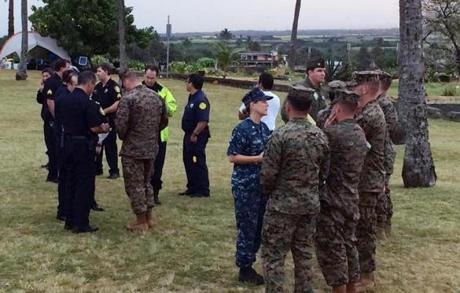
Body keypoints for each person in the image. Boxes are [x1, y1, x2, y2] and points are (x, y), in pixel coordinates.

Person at [261, 85, 330, 293]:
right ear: (309, 109)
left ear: (288, 106)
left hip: (282, 207)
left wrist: (271, 192)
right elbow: (324, 173)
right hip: (309, 205)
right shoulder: (320, 136)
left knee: (274, 258)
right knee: (304, 256)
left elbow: (268, 175)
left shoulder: (280, 136)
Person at [315, 90, 369, 293]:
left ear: (336, 109)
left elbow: (319, 156)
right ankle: (352, 288)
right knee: (349, 246)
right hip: (351, 197)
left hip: (332, 201)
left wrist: (326, 128)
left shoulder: (331, 134)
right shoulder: (359, 133)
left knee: (333, 249)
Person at [227, 88, 272, 285]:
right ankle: (245, 268)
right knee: (247, 227)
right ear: (252, 104)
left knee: (259, 226)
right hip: (245, 186)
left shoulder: (264, 129)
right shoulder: (242, 129)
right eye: (263, 101)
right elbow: (232, 156)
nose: (267, 104)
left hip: (261, 186)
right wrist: (257, 159)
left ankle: (250, 261)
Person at [116, 71, 168, 233]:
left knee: (134, 185)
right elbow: (164, 121)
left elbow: (121, 127)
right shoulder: (156, 97)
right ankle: (149, 218)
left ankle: (141, 221)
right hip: (151, 148)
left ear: (126, 81)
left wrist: (128, 136)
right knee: (147, 183)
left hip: (133, 150)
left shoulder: (128, 99)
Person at [60, 71, 110, 233]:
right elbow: (94, 126)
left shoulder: (66, 98)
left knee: (70, 182)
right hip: (83, 147)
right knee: (84, 184)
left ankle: (69, 218)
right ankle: (81, 222)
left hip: (67, 144)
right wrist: (104, 127)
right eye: (92, 86)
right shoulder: (87, 103)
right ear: (89, 84)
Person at [351, 71, 387, 292]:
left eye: (355, 85)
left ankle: (367, 276)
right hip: (364, 180)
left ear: (364, 88)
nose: (352, 89)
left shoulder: (369, 115)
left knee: (364, 230)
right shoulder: (366, 111)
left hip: (367, 182)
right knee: (360, 228)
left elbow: (350, 137)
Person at [143, 65, 177, 205]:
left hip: (159, 136)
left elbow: (173, 109)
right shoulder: (138, 89)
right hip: (142, 135)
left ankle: (155, 193)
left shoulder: (163, 91)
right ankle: (142, 194)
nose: (150, 80)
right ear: (144, 76)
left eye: (152, 78)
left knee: (157, 166)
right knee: (143, 167)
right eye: (147, 77)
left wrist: (163, 105)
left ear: (157, 76)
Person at [376, 72, 402, 239]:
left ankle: (383, 224)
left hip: (383, 153)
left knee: (382, 189)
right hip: (381, 151)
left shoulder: (384, 104)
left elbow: (392, 128)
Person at [179, 73, 211, 198]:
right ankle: (192, 187)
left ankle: (202, 189)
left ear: (191, 84)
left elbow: (203, 121)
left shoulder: (200, 100)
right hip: (189, 135)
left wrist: (194, 133)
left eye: (187, 81)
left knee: (198, 161)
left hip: (197, 136)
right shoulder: (192, 97)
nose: (186, 84)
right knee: (188, 160)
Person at [54, 70, 79, 222]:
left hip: (66, 140)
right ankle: (63, 209)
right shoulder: (64, 96)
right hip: (64, 142)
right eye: (75, 85)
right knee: (65, 177)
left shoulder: (65, 94)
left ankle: (68, 207)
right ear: (68, 83)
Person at [43, 59, 71, 183]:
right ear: (61, 68)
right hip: (52, 121)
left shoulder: (62, 82)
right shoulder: (51, 82)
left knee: (59, 147)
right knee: (54, 148)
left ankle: (56, 173)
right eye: (67, 67)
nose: (69, 70)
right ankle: (53, 175)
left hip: (60, 121)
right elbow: (50, 102)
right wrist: (57, 118)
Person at [93, 63, 122, 180]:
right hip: (98, 121)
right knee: (97, 143)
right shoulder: (97, 86)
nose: (97, 73)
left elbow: (118, 103)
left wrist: (104, 111)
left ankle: (114, 170)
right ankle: (97, 168)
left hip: (109, 120)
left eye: (99, 71)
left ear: (106, 71)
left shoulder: (114, 87)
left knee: (110, 146)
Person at [294, 56, 329, 121]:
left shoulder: (323, 91)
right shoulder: (299, 89)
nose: (323, 74)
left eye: (324, 71)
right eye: (319, 71)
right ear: (310, 72)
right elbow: (286, 111)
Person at [36, 67, 53, 169]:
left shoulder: (52, 88)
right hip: (46, 119)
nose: (45, 78)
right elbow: (39, 100)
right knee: (48, 141)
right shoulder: (44, 87)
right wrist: (40, 91)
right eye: (44, 76)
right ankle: (50, 161)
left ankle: (53, 163)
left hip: (52, 119)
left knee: (53, 141)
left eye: (47, 76)